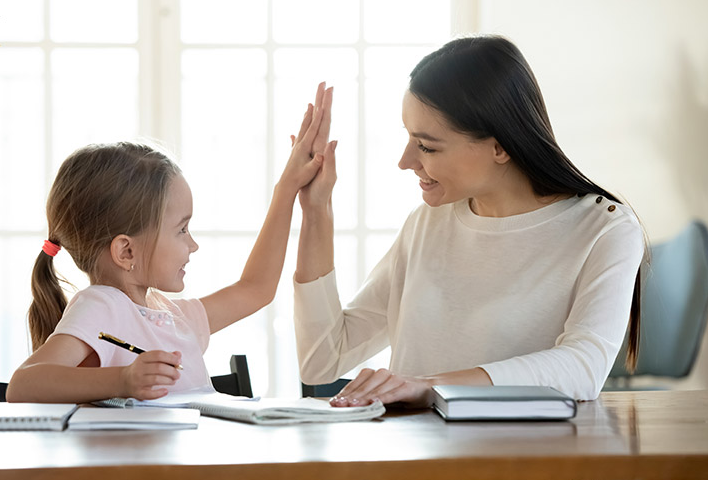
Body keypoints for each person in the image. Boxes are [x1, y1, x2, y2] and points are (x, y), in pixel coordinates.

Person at [293, 35, 644, 408]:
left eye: (427, 145)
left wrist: (430, 386)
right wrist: (317, 212)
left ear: (500, 146)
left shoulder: (605, 230)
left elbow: (583, 368)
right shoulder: (428, 224)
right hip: (417, 460)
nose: (405, 160)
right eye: (409, 139)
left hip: (528, 461)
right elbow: (322, 361)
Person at [6, 83, 335, 404]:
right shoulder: (102, 306)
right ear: (126, 251)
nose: (193, 245)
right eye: (182, 229)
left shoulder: (171, 316)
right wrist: (121, 380)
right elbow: (23, 385)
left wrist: (289, 188)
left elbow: (256, 288)